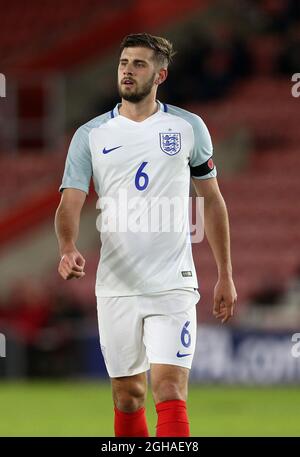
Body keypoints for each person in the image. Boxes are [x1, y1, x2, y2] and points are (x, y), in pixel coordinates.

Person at [55, 32, 237, 437]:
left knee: (169, 388)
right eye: (123, 63)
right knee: (128, 395)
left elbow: (213, 200)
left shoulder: (188, 127)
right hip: (117, 285)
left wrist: (225, 273)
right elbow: (70, 202)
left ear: (160, 74)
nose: (127, 71)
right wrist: (67, 246)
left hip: (173, 283)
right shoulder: (91, 135)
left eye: (138, 64)